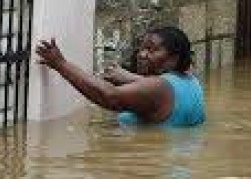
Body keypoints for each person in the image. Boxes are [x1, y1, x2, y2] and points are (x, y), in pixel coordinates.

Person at [35, 26, 206, 127]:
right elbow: (161, 90)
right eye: (142, 48)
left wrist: (61, 64)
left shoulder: (158, 88)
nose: (142, 54)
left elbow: (110, 97)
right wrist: (131, 77)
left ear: (173, 58)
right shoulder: (190, 81)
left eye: (152, 49)